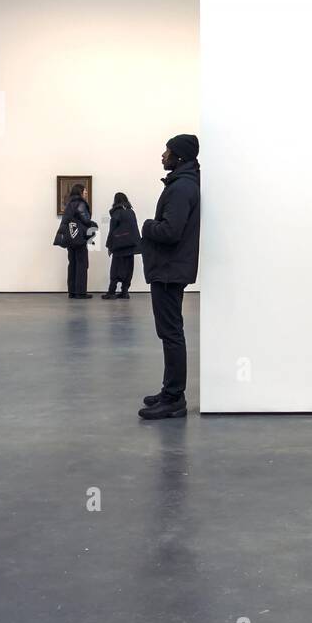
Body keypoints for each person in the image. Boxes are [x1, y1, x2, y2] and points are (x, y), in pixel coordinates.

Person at [138, 134, 201, 420]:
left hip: (168, 269)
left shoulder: (181, 187)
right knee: (170, 332)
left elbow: (170, 231)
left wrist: (147, 226)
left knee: (171, 333)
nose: (163, 156)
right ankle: (169, 391)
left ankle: (174, 398)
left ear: (180, 157)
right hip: (170, 268)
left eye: (167, 151)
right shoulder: (184, 183)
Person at [101, 192, 142, 299]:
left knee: (116, 268)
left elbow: (112, 231)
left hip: (119, 246)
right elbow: (135, 229)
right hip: (131, 246)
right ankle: (125, 292)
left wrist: (109, 246)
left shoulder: (117, 212)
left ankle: (111, 292)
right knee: (128, 269)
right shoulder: (131, 212)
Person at [57, 183, 94, 299]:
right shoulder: (81, 204)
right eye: (85, 191)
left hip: (69, 238)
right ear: (80, 192)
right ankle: (81, 292)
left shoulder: (69, 204)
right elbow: (86, 220)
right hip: (79, 239)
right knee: (82, 264)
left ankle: (72, 292)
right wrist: (93, 225)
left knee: (72, 264)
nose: (86, 193)